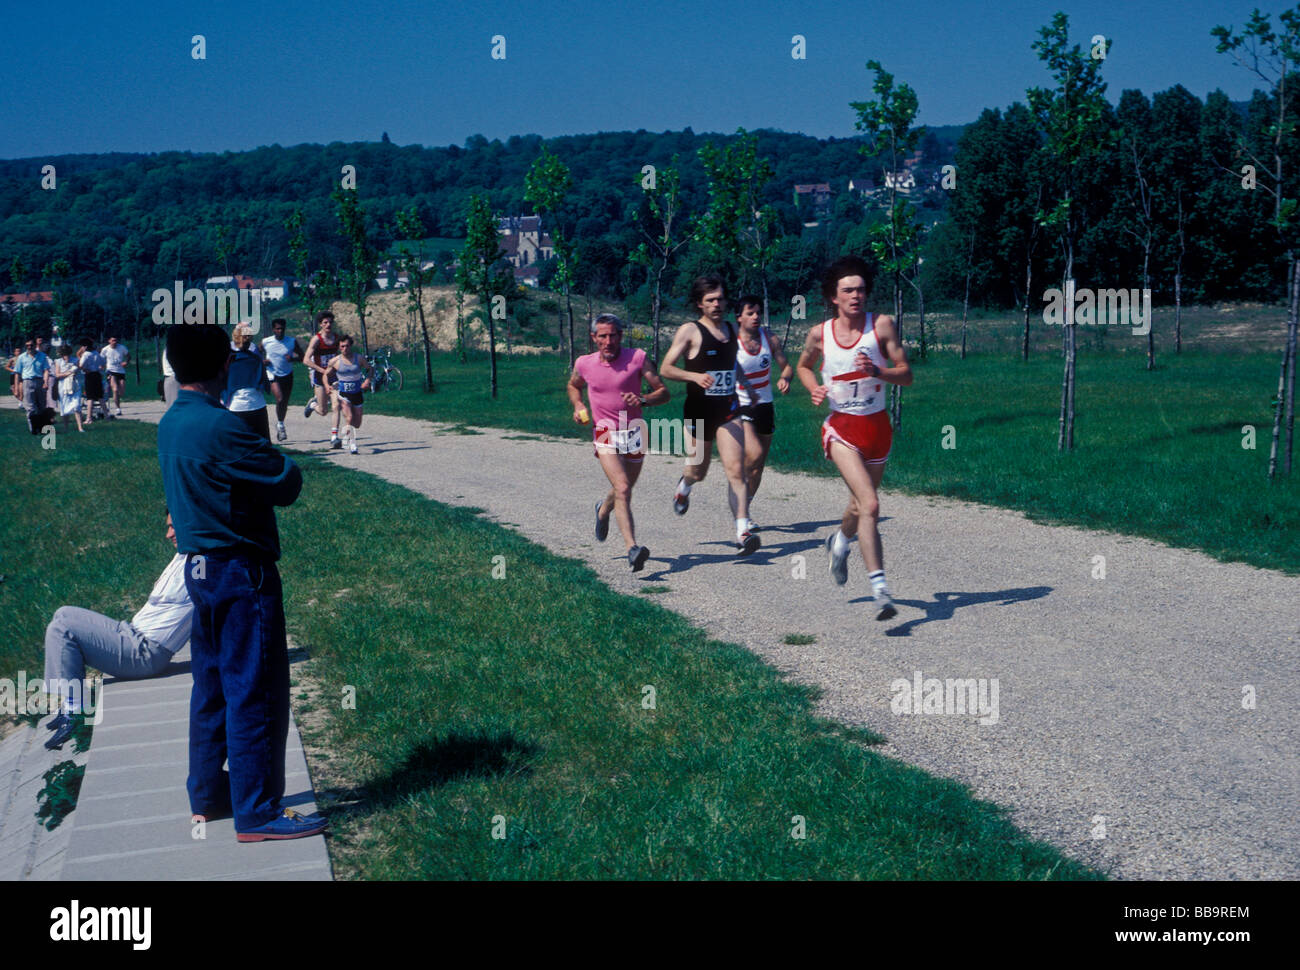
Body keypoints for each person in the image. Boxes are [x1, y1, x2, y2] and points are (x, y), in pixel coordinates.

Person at [159, 323, 324, 843]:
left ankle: (209, 794)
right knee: (254, 686)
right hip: (239, 570)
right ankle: (257, 811)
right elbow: (287, 482)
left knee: (210, 686)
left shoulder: (170, 422)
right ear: (223, 366)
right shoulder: (223, 426)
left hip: (198, 570)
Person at [795, 255, 912, 620]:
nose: (856, 296)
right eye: (848, 290)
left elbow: (906, 375)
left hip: (877, 428)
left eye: (861, 289)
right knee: (871, 505)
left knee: (858, 507)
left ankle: (840, 542)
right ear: (834, 296)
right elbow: (802, 365)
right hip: (841, 429)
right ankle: (881, 590)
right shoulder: (820, 333)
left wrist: (878, 370)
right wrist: (813, 387)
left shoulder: (882, 326)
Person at [43, 514, 192, 750]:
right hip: (131, 633)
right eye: (168, 527)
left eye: (174, 527)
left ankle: (74, 711)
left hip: (145, 653)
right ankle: (69, 704)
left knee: (63, 628)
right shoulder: (183, 556)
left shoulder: (201, 563)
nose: (168, 534)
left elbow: (210, 600)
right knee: (62, 614)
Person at [659, 275, 760, 556]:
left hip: (728, 410)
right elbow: (666, 368)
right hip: (699, 412)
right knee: (698, 471)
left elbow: (732, 367)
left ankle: (742, 531)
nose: (717, 304)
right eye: (710, 300)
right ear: (699, 305)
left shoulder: (730, 329)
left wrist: (748, 387)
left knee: (736, 471)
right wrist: (694, 375)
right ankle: (684, 485)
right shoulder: (689, 331)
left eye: (720, 299)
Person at [568, 313, 670, 571]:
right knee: (623, 487)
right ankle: (632, 549)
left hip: (634, 431)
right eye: (602, 336)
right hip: (603, 431)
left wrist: (644, 400)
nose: (608, 341)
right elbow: (573, 385)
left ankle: (603, 510)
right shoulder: (584, 363)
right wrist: (578, 404)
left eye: (613, 335)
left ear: (621, 336)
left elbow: (663, 392)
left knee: (623, 489)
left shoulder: (637, 358)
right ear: (594, 338)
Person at [733, 295, 794, 528]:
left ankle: (744, 510)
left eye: (758, 312)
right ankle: (739, 505)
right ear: (739, 317)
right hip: (741, 404)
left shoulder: (770, 338)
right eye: (750, 313)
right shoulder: (733, 343)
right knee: (754, 455)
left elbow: (786, 365)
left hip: (765, 405)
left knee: (758, 466)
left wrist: (785, 378)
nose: (756, 317)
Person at [322, 334, 373, 455]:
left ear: (351, 346)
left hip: (357, 393)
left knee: (357, 423)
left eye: (347, 346)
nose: (345, 349)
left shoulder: (359, 358)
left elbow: (370, 369)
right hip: (344, 394)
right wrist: (326, 386)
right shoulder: (335, 361)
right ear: (339, 347)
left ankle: (347, 435)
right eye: (342, 346)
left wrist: (367, 380)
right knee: (349, 418)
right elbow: (325, 374)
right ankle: (352, 444)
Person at [223, 322, 271, 441]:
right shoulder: (256, 359)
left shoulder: (227, 360)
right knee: (262, 445)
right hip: (257, 404)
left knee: (238, 445)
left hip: (236, 406)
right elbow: (265, 383)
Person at [302, 310, 341, 448]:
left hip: (334, 377)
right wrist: (321, 370)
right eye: (325, 322)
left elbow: (341, 355)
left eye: (330, 322)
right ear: (320, 324)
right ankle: (313, 405)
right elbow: (306, 360)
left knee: (337, 405)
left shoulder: (337, 338)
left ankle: (334, 437)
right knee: (323, 411)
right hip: (319, 377)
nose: (328, 324)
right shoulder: (317, 339)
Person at [261, 317, 302, 442]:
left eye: (282, 329)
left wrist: (293, 359)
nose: (280, 331)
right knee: (280, 398)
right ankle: (281, 426)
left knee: (284, 403)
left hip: (287, 374)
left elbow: (302, 356)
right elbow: (255, 354)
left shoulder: (291, 341)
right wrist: (263, 362)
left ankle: (280, 424)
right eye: (278, 329)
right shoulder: (266, 342)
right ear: (273, 329)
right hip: (273, 374)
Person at [15, 337, 51, 420]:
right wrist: (16, 388)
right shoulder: (21, 357)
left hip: (39, 382)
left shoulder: (42, 356)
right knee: (30, 407)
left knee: (41, 406)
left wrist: (45, 382)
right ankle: (34, 428)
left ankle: (41, 426)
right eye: (27, 345)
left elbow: (46, 370)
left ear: (35, 345)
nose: (29, 347)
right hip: (27, 382)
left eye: (31, 345)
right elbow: (17, 373)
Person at [53, 345, 85, 433]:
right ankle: (65, 427)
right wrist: (69, 372)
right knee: (64, 406)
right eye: (63, 353)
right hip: (63, 386)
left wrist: (76, 370)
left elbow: (80, 371)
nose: (65, 355)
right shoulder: (58, 361)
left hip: (75, 384)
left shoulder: (75, 360)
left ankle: (80, 427)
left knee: (77, 406)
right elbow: (57, 374)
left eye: (66, 353)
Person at [78, 340, 106, 422]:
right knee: (100, 396)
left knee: (90, 397)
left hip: (89, 375)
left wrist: (85, 369)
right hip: (97, 375)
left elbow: (81, 365)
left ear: (85, 347)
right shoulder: (96, 353)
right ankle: (106, 416)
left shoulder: (86, 354)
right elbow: (103, 363)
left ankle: (89, 418)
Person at [101, 335, 129, 415]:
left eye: (116, 340)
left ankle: (117, 398)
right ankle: (118, 409)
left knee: (122, 391)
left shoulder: (122, 348)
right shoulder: (105, 349)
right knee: (115, 389)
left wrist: (126, 362)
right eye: (113, 340)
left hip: (121, 372)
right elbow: (101, 359)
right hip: (110, 371)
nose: (114, 342)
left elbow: (128, 356)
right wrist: (102, 366)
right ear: (109, 341)